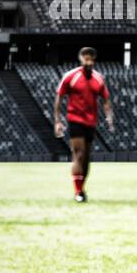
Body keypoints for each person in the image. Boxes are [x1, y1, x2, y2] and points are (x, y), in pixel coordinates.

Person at [53, 47, 114, 203]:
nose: (88, 61)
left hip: (91, 122)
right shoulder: (70, 76)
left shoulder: (99, 78)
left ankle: (81, 188)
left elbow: (106, 99)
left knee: (86, 158)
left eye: (90, 59)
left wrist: (109, 117)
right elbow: (59, 98)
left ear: (93, 60)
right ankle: (78, 192)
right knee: (78, 154)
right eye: (85, 58)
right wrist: (58, 121)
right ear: (80, 59)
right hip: (75, 119)